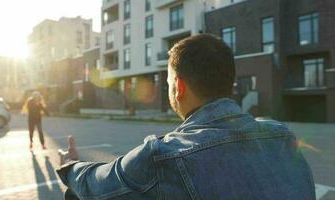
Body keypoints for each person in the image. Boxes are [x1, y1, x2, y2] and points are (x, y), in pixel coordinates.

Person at [57, 34, 315, 200]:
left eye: (169, 82)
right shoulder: (283, 136)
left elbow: (96, 184)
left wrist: (70, 167)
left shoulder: (163, 155)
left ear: (178, 87)